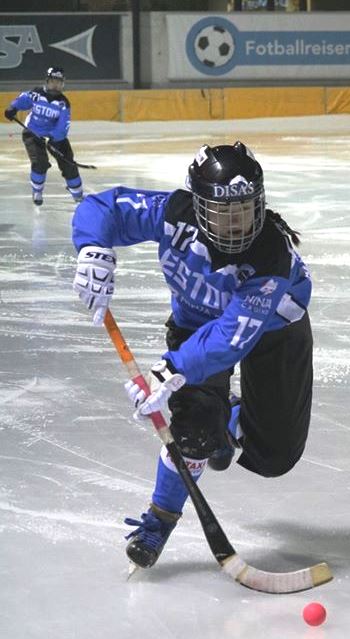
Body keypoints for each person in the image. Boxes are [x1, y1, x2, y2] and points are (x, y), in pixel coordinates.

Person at [71, 141, 313, 568]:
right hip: (197, 325)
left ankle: (230, 417)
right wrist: (94, 248)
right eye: (224, 213)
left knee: (275, 457)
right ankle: (159, 520)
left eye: (246, 209)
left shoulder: (270, 255)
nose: (238, 224)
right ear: (199, 207)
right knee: (193, 429)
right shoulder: (172, 213)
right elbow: (104, 208)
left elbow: (231, 338)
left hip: (273, 333)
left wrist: (171, 369)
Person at [4, 67, 83, 206]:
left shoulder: (63, 103)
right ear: (47, 81)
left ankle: (78, 195)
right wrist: (13, 108)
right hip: (33, 134)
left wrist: (54, 139)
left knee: (69, 164)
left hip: (55, 138)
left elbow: (63, 125)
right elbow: (23, 99)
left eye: (59, 82)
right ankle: (37, 191)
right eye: (53, 81)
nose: (56, 85)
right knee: (39, 163)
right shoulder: (36, 94)